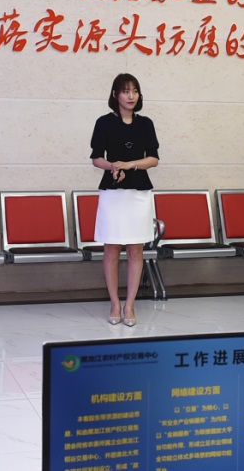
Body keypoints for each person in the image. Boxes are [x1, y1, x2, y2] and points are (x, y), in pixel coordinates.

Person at [89, 73, 160, 327]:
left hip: (138, 193)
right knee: (111, 248)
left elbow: (153, 159)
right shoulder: (104, 123)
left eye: (135, 91)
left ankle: (129, 305)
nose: (131, 96)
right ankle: (114, 303)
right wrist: (112, 166)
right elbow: (96, 158)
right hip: (113, 193)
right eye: (126, 91)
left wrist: (130, 165)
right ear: (115, 95)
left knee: (135, 249)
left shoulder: (146, 123)